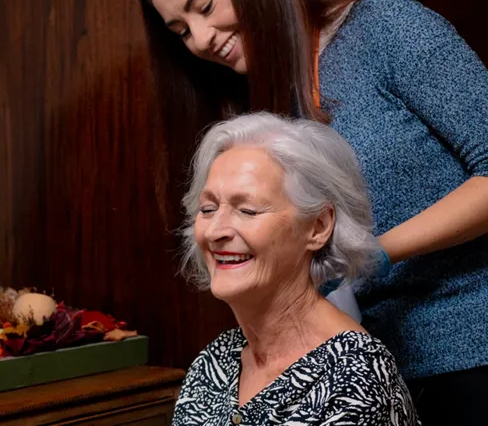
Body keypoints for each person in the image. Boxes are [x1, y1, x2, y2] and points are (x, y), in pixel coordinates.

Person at [136, 0, 488, 422]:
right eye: (180, 30)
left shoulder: (383, 30)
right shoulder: (252, 116)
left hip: (470, 348)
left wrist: (376, 253)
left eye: (205, 7)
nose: (200, 38)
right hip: (355, 373)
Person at [171, 112, 419, 425]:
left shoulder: (354, 375)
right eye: (207, 209)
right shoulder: (214, 362)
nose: (215, 231)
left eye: (247, 210)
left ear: (318, 226)